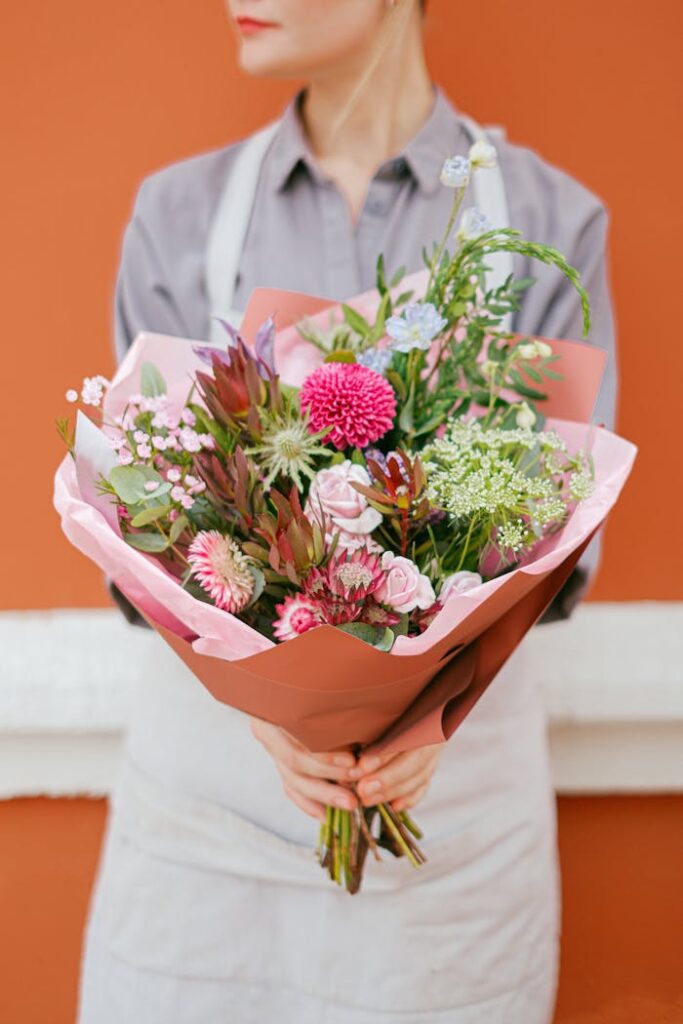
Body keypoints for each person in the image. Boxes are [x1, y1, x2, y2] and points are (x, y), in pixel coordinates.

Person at [77, 1, 617, 1021]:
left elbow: (554, 546)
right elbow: (138, 528)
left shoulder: (549, 224)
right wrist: (273, 709)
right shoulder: (176, 216)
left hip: (449, 836)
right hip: (207, 825)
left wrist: (429, 711)